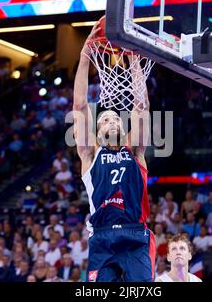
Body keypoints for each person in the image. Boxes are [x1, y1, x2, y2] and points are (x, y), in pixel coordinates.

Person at [73, 17, 155, 282]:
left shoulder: (136, 151)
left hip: (135, 234)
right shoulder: (90, 154)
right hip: (102, 237)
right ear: (97, 132)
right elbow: (79, 107)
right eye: (105, 119)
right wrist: (85, 56)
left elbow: (141, 107)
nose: (111, 120)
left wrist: (133, 58)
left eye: (116, 118)